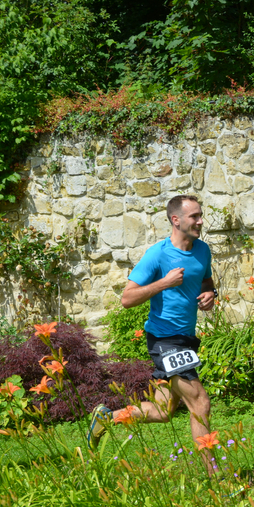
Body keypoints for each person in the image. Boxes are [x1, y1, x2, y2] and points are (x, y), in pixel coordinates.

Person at [87, 195, 218, 473]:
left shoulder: (202, 250)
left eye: (200, 215)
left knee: (162, 412)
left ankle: (108, 418)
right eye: (194, 216)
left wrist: (210, 294)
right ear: (176, 220)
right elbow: (127, 298)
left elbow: (205, 280)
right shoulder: (157, 254)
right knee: (200, 402)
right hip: (164, 340)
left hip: (186, 338)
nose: (200, 221)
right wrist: (164, 283)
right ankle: (216, 476)